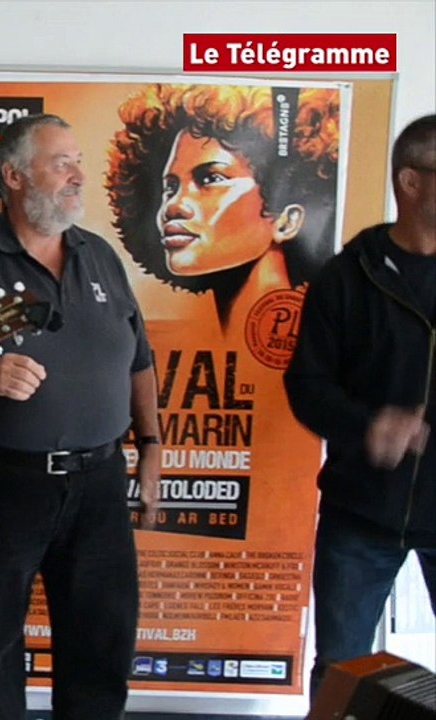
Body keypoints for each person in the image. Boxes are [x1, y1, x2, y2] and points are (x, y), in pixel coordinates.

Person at [0, 114, 161, 720]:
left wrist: (150, 446)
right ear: (14, 176)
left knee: (101, 645)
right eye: (60, 163)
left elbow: (139, 360)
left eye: (77, 161)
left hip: (99, 484)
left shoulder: (100, 255)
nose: (78, 176)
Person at [283, 114, 436, 702]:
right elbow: (306, 385)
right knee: (343, 674)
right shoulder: (348, 278)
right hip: (362, 513)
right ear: (412, 182)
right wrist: (369, 425)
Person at [106, 84, 339, 334]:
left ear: (286, 221)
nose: (173, 205)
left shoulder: (322, 339)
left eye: (211, 179)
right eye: (170, 187)